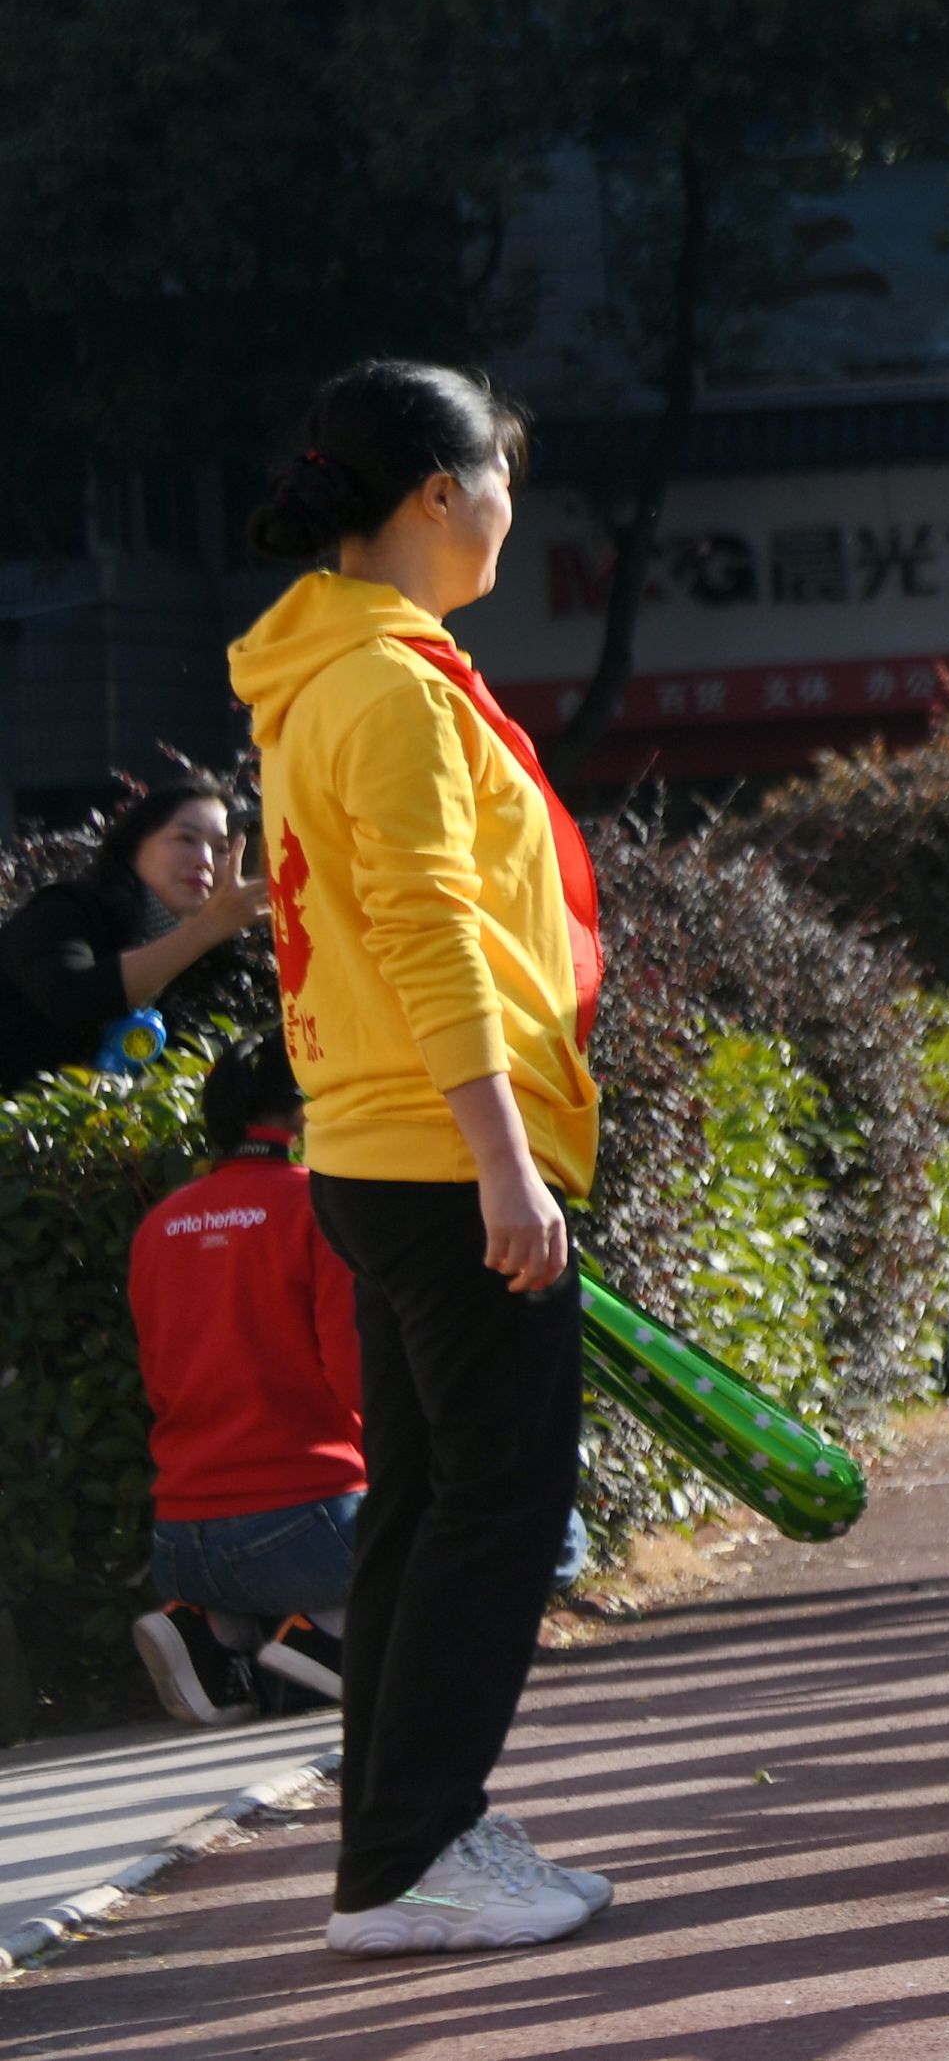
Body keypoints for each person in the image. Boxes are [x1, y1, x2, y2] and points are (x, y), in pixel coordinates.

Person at [229, 359, 613, 1952]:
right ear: (441, 494)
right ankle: (413, 1842)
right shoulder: (385, 686)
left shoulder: (345, 670)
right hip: (437, 1149)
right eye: (502, 479)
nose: (514, 511)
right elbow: (429, 929)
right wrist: (506, 1159)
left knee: (428, 1499)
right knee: (500, 1502)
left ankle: (401, 1837)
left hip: (382, 1143)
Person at [129, 1039, 358, 1726]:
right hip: (310, 1529)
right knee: (490, 1514)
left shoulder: (160, 1225)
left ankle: (209, 1634)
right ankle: (334, 1634)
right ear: (305, 1112)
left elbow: (162, 1385)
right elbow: (360, 1379)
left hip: (179, 1539)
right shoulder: (320, 1207)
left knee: (254, 1563)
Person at [2, 769, 266, 1089]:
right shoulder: (64, 910)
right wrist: (204, 930)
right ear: (133, 846)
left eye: (222, 848)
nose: (205, 860)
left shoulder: (218, 959)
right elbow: (73, 1000)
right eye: (185, 838)